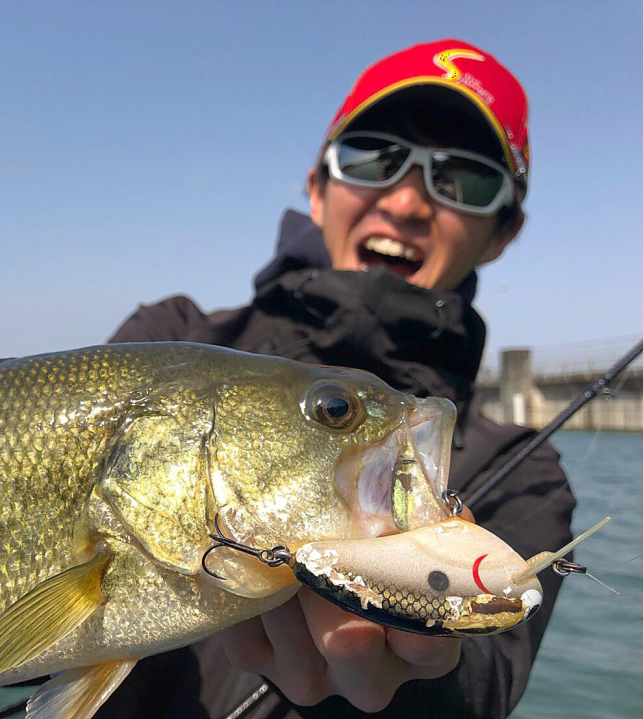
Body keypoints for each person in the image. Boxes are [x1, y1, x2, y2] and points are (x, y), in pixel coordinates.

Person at [99, 39, 576, 718]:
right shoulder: (167, 344)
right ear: (317, 188)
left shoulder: (528, 471)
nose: (408, 201)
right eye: (373, 157)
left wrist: (428, 670)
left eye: (464, 180)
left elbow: (486, 683)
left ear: (502, 232)